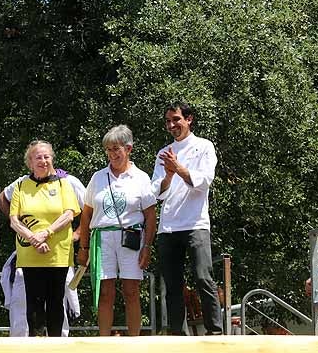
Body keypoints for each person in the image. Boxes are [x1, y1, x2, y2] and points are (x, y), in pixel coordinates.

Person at [77, 125, 157, 336]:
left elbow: (150, 215)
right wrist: (83, 247)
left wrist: (147, 247)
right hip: (102, 238)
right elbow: (86, 214)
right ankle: (104, 339)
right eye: (108, 150)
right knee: (105, 292)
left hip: (130, 237)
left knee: (131, 291)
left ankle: (134, 341)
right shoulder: (98, 177)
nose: (112, 154)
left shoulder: (140, 177)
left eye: (116, 149)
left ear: (128, 149)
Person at [151, 103, 222, 335]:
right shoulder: (163, 153)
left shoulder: (204, 146)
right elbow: (156, 192)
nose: (172, 125)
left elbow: (203, 182)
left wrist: (178, 168)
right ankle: (177, 334)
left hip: (195, 224)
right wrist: (169, 175)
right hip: (168, 227)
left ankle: (215, 331)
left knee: (203, 277)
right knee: (172, 285)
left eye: (176, 119)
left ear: (189, 119)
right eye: (168, 121)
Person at [0, 167, 86, 337]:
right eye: (37, 157)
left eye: (46, 157)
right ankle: (27, 347)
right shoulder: (21, 183)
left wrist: (77, 234)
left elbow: (88, 209)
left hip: (59, 253)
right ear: (30, 162)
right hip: (29, 253)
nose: (43, 161)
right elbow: (3, 198)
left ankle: (58, 345)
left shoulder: (68, 181)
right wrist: (28, 233)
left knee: (57, 302)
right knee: (26, 304)